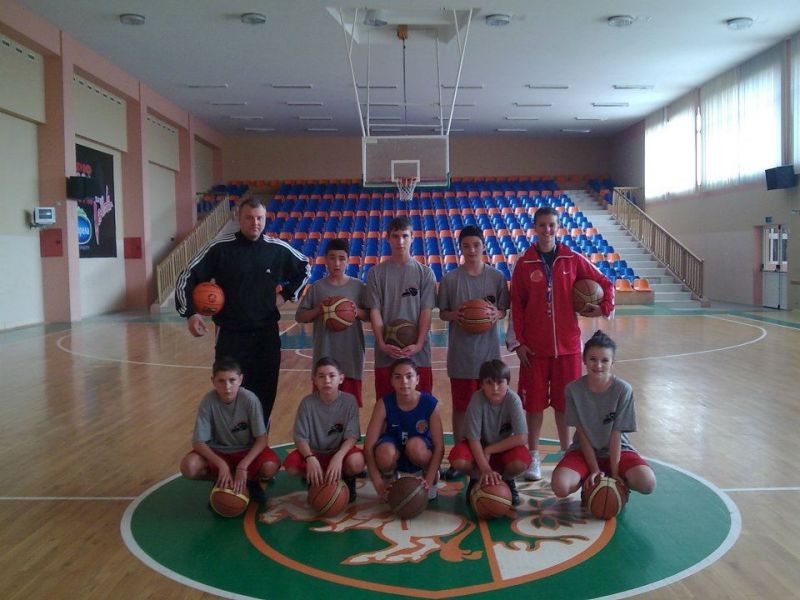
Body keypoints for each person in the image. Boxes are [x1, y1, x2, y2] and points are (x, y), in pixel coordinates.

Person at [175, 197, 310, 425]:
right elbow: (187, 276)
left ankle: (261, 438)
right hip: (230, 335)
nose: (255, 223)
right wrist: (190, 313)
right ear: (239, 218)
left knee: (265, 392)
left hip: (266, 334)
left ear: (265, 219)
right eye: (249, 218)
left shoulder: (276, 249)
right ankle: (230, 439)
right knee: (228, 393)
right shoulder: (220, 248)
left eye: (259, 218)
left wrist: (285, 295)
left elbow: (305, 267)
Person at [510, 206, 614, 481]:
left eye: (551, 225)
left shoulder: (572, 258)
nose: (547, 230)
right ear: (535, 228)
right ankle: (533, 455)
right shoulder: (524, 263)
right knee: (533, 406)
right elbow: (516, 305)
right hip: (534, 349)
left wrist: (603, 307)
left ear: (558, 227)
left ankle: (568, 454)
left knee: (565, 405)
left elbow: (606, 282)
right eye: (542, 225)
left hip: (567, 347)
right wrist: (519, 342)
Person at [550, 331, 656, 499]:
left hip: (618, 450)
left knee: (648, 483)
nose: (598, 365)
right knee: (560, 486)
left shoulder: (623, 390)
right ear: (584, 360)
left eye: (605, 360)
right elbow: (582, 434)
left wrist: (615, 473)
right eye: (593, 359)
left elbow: (616, 434)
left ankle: (617, 488)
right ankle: (589, 484)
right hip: (583, 450)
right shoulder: (573, 390)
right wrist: (594, 470)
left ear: (612, 362)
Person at [437, 225, 509, 445]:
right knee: (461, 408)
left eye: (476, 245)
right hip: (461, 356)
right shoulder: (450, 279)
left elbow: (503, 310)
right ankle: (461, 448)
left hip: (489, 356)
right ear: (460, 248)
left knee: (492, 405)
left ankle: (489, 447)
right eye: (466, 246)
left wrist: (496, 313)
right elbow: (442, 313)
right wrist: (455, 315)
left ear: (483, 246)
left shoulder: (497, 277)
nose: (472, 250)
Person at [179, 357, 280, 504]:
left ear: (240, 379)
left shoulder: (249, 399)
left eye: (232, 380)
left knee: (270, 467)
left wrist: (243, 466)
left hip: (246, 450)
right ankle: (221, 479)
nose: (227, 386)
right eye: (221, 381)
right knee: (189, 467)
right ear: (213, 381)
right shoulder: (208, 401)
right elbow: (198, 442)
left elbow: (262, 439)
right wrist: (221, 464)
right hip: (219, 451)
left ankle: (250, 481)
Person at [365, 216, 436, 400]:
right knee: (386, 406)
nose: (400, 241)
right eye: (395, 236)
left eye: (405, 236)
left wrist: (419, 344)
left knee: (422, 406)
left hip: (419, 355)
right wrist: (382, 344)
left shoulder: (425, 273)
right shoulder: (375, 274)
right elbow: (374, 311)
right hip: (386, 354)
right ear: (388, 238)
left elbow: (426, 311)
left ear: (413, 237)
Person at [448, 359, 530, 506]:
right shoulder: (477, 399)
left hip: (502, 449)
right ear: (482, 384)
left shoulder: (513, 400)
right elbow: (473, 439)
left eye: (500, 382)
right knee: (458, 459)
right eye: (489, 382)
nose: (495, 388)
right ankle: (476, 478)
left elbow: (522, 437)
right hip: (478, 450)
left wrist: (490, 449)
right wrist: (485, 469)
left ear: (508, 383)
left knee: (521, 462)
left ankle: (507, 479)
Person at [295, 239, 368, 406]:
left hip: (351, 356)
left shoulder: (358, 287)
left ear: (348, 260)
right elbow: (300, 316)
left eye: (342, 258)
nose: (337, 263)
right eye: (332, 258)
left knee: (350, 407)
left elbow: (370, 315)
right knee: (322, 407)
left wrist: (355, 311)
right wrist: (318, 310)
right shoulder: (317, 287)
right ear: (325, 260)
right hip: (324, 355)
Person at [283, 357, 365, 500]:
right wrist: (309, 458)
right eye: (321, 376)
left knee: (357, 462)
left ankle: (347, 478)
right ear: (314, 380)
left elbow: (352, 436)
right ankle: (314, 477)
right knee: (291, 466)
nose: (327, 380)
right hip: (315, 452)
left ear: (341, 379)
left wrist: (339, 456)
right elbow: (300, 438)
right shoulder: (307, 403)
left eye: (332, 376)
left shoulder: (349, 401)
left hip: (339, 451)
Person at [363, 358, 444, 501]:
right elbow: (368, 447)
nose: (404, 381)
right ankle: (389, 475)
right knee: (384, 452)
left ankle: (428, 473)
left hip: (419, 453)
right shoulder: (383, 404)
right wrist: (378, 485)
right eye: (398, 377)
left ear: (417, 379)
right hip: (395, 454)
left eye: (409, 376)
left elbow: (439, 447)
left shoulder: (430, 403)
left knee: (416, 447)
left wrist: (429, 480)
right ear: (391, 381)